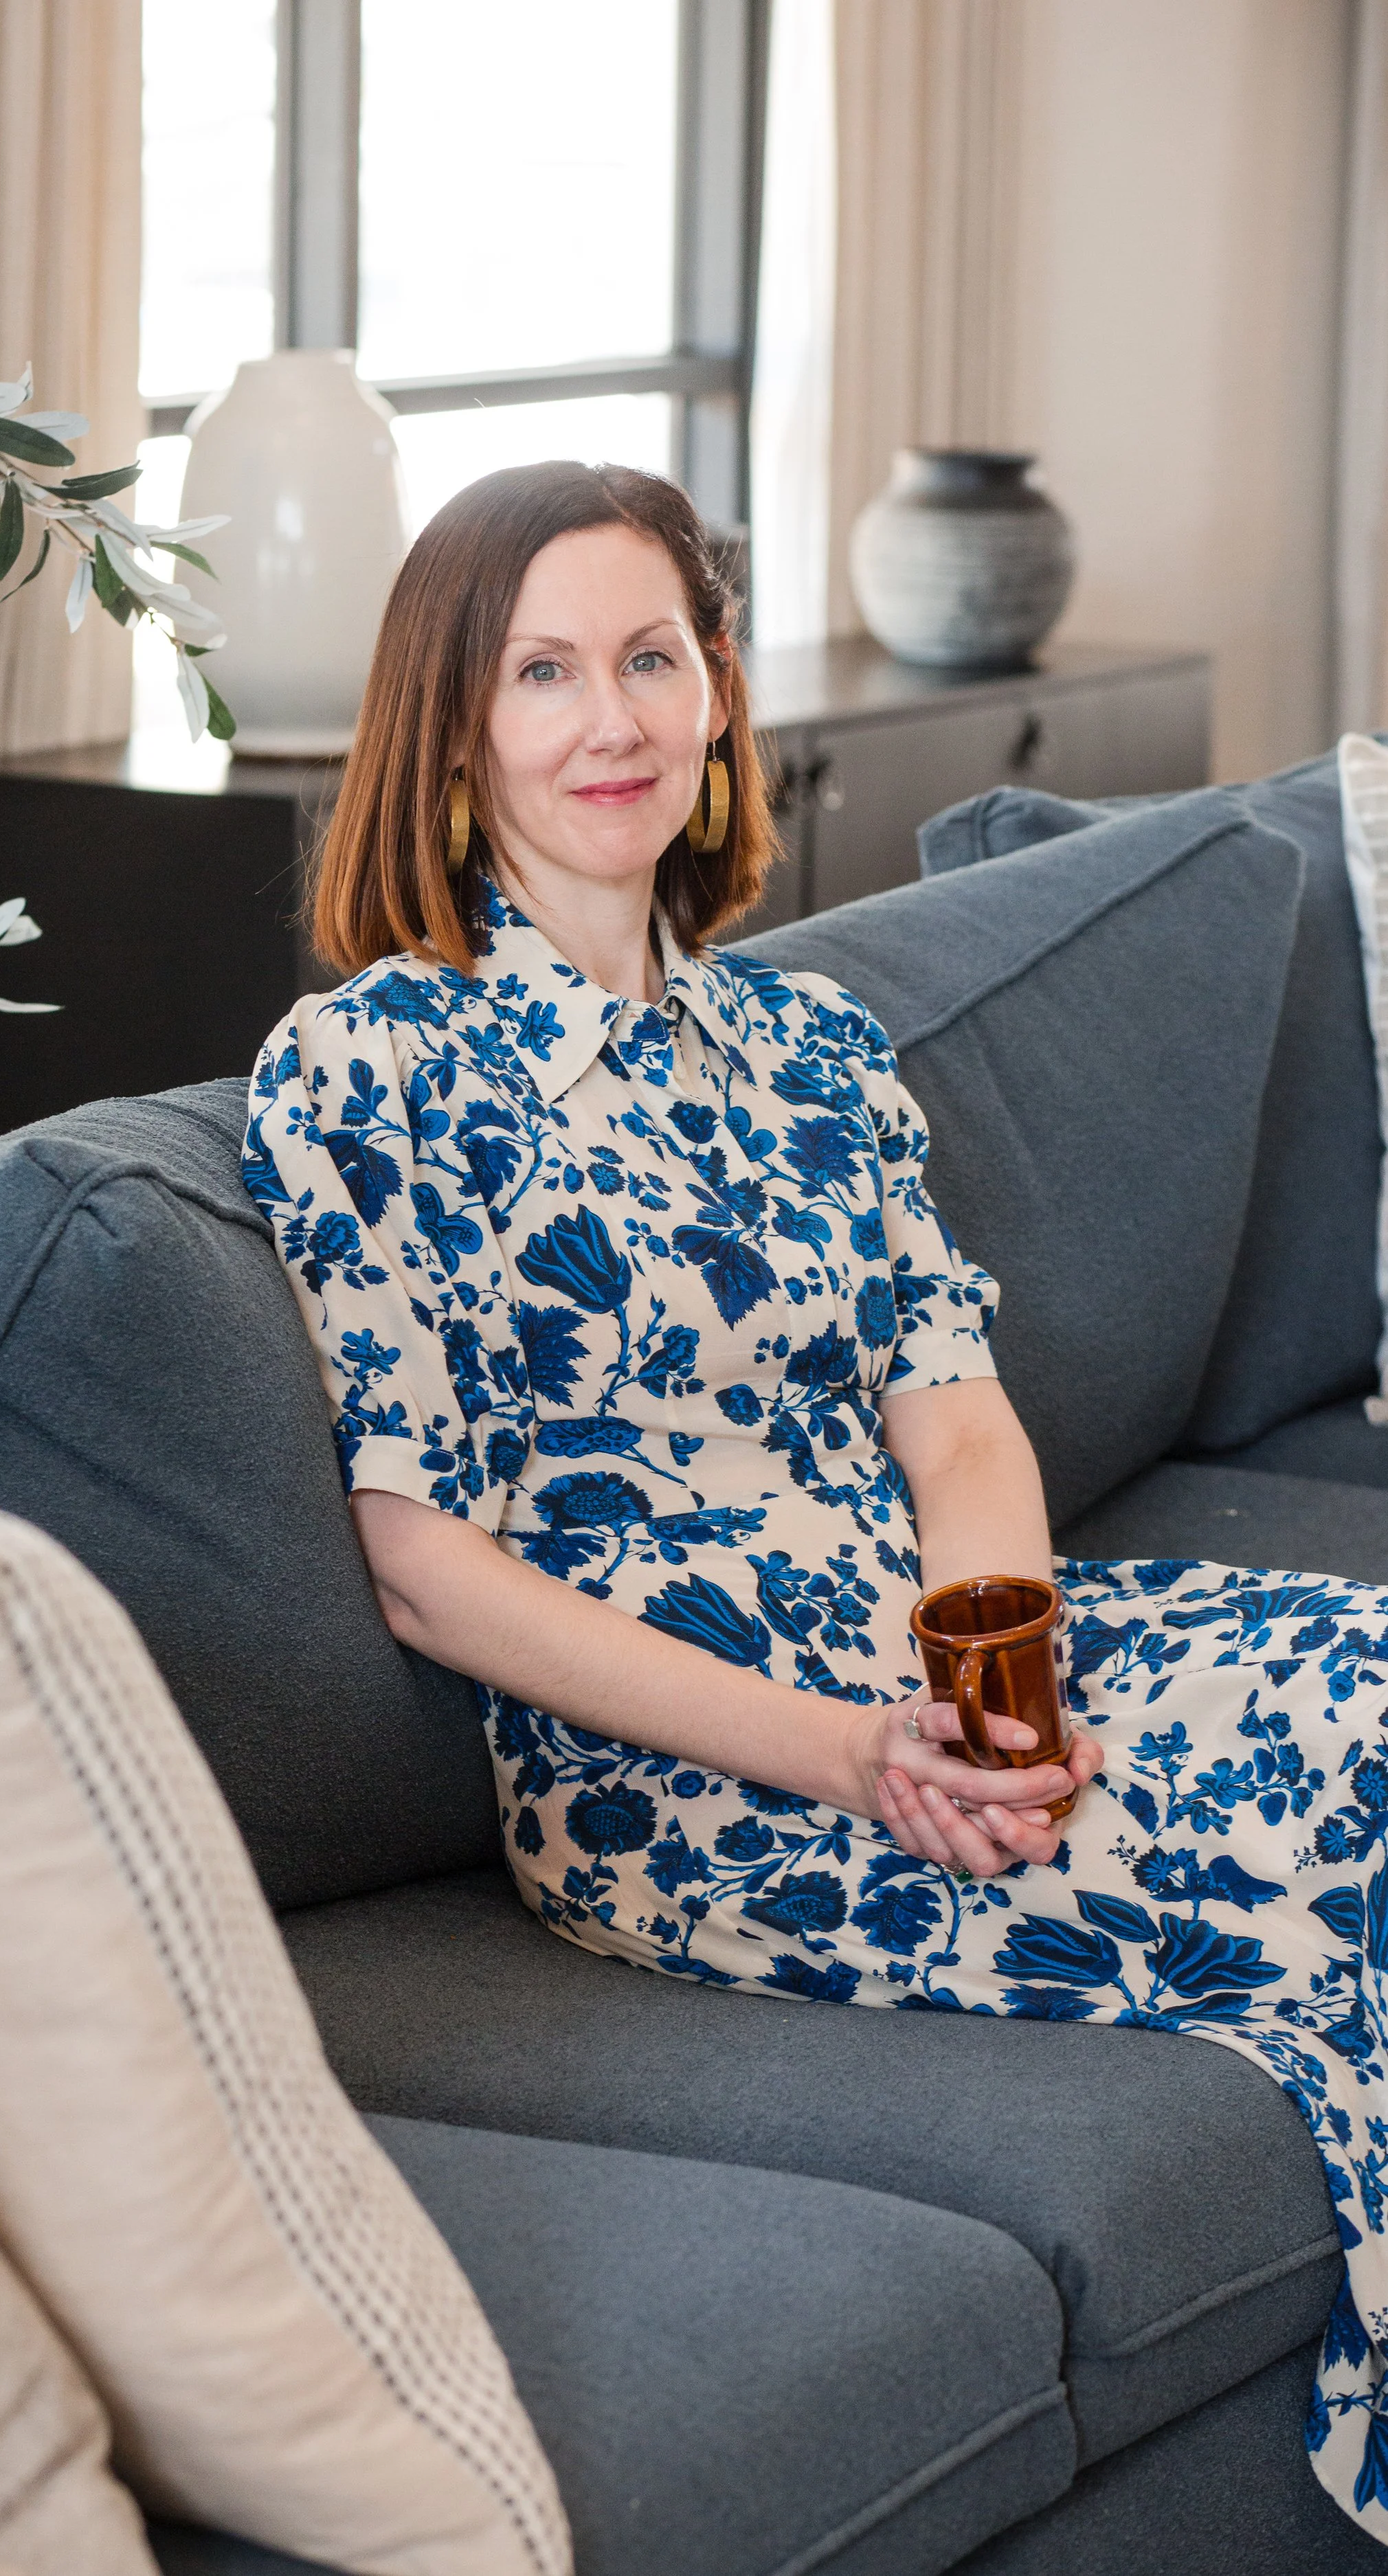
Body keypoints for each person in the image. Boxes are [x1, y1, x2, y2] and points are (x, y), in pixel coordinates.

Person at [245, 460, 1388, 2539]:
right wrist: (865, 1757)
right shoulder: (365, 1067)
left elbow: (957, 1430)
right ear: (454, 725)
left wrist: (997, 1682)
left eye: (653, 656)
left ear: (715, 696)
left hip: (951, 1686)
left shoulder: (810, 1049)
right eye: (546, 672)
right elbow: (422, 1564)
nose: (613, 719)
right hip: (695, 1781)